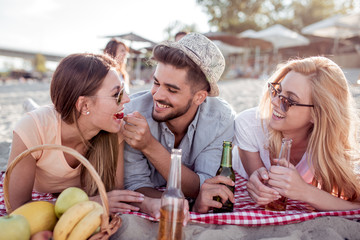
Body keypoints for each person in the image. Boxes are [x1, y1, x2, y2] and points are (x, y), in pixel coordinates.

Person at [193, 56, 360, 213]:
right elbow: (263, 188)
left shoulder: (327, 145)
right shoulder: (249, 124)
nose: (274, 102)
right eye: (277, 91)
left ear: (318, 114)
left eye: (289, 100)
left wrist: (305, 191)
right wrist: (258, 184)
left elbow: (354, 204)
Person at [6, 53, 145, 214]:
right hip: (44, 124)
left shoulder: (113, 128)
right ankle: (30, 106)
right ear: (84, 105)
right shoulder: (32, 128)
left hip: (67, 120)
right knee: (38, 116)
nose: (127, 99)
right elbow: (17, 208)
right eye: (117, 95)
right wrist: (87, 204)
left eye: (124, 91)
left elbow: (115, 195)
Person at [121, 33, 235, 213]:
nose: (157, 95)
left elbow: (204, 186)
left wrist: (149, 145)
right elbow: (135, 186)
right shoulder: (132, 112)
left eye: (172, 90)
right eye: (156, 83)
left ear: (199, 97)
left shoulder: (221, 119)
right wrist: (188, 204)